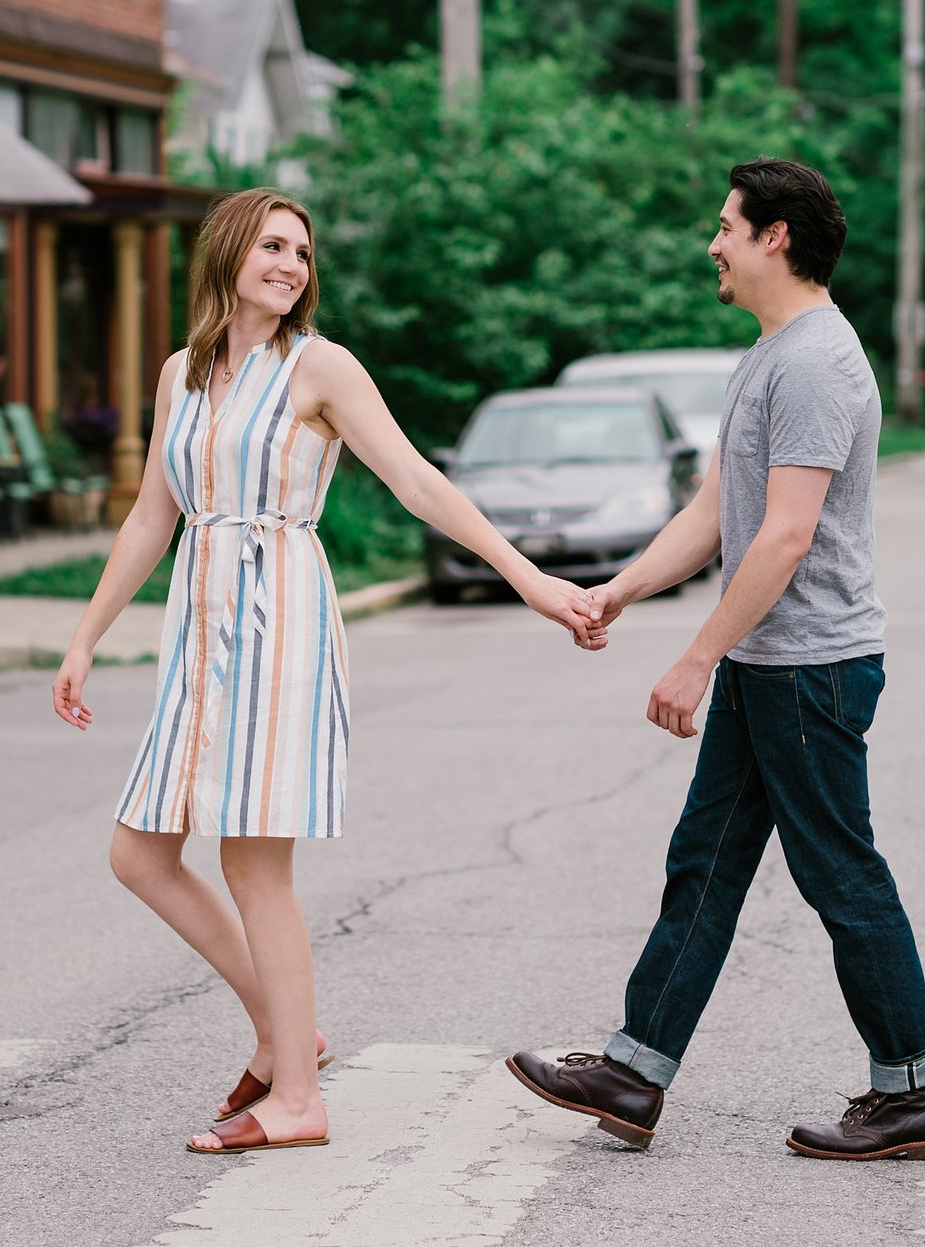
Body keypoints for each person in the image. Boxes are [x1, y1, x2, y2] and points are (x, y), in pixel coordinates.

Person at [53, 187, 591, 1155]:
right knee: (140, 851)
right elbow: (151, 514)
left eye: (301, 250)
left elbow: (418, 480)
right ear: (227, 253)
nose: (292, 264)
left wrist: (529, 578)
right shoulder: (183, 373)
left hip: (277, 619)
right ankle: (288, 1034)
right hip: (197, 627)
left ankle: (295, 1092)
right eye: (272, 245)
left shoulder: (322, 366)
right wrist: (87, 634)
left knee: (253, 860)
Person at [505, 158, 925, 1162]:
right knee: (705, 862)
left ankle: (911, 1089)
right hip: (773, 663)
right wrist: (621, 588)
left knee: (840, 872)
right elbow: (719, 509)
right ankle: (635, 1067)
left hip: (809, 665)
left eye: (725, 225)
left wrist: (696, 657)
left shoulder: (815, 364)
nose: (712, 242)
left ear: (773, 237)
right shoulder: (769, 353)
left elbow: (785, 536)